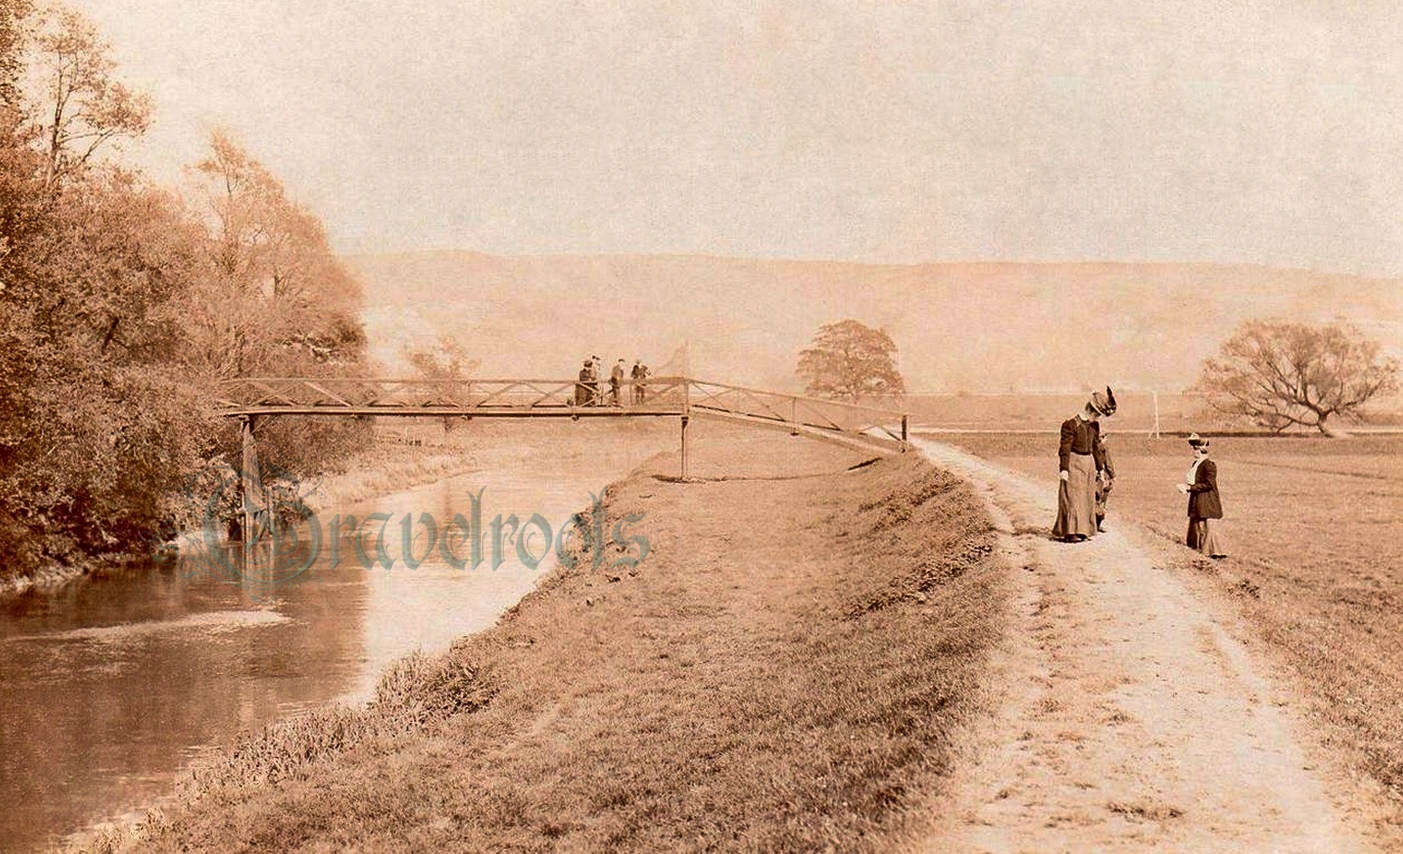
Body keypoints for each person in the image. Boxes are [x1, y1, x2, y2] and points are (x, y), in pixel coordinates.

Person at [1052, 386, 1115, 542]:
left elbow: (1096, 448)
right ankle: (1070, 532)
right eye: (1097, 415)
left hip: (1089, 465)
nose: (1097, 418)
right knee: (1073, 497)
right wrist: (1064, 469)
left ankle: (1083, 531)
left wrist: (1100, 468)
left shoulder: (1094, 426)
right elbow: (1064, 448)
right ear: (1090, 411)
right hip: (1073, 463)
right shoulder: (1070, 424)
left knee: (1086, 497)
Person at [1178, 433, 1226, 558]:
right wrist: (1187, 487)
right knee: (1197, 523)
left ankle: (1213, 552)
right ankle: (1198, 548)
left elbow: (1209, 484)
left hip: (1207, 499)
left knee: (1207, 525)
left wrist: (1189, 488)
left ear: (1201, 450)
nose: (1194, 452)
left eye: (1196, 449)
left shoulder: (1209, 465)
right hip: (1198, 498)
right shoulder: (1196, 463)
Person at [1094, 428, 1115, 532]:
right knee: (1102, 502)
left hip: (1093, 477)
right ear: (1102, 437)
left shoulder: (1092, 447)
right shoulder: (1104, 448)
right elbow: (1108, 464)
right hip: (1103, 477)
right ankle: (1098, 524)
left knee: (1094, 501)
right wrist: (1113, 476)